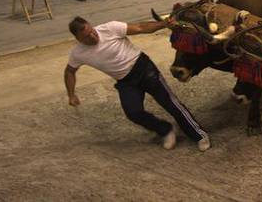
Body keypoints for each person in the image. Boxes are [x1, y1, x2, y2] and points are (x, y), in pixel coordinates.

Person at [64, 17, 210, 151]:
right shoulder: (78, 53)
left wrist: (163, 24)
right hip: (125, 81)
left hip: (143, 68)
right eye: (86, 37)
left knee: (170, 103)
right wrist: (71, 94)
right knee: (133, 112)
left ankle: (199, 134)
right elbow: (70, 71)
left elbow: (141, 27)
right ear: (77, 39)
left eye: (92, 31)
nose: (93, 36)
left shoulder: (110, 28)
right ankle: (165, 129)